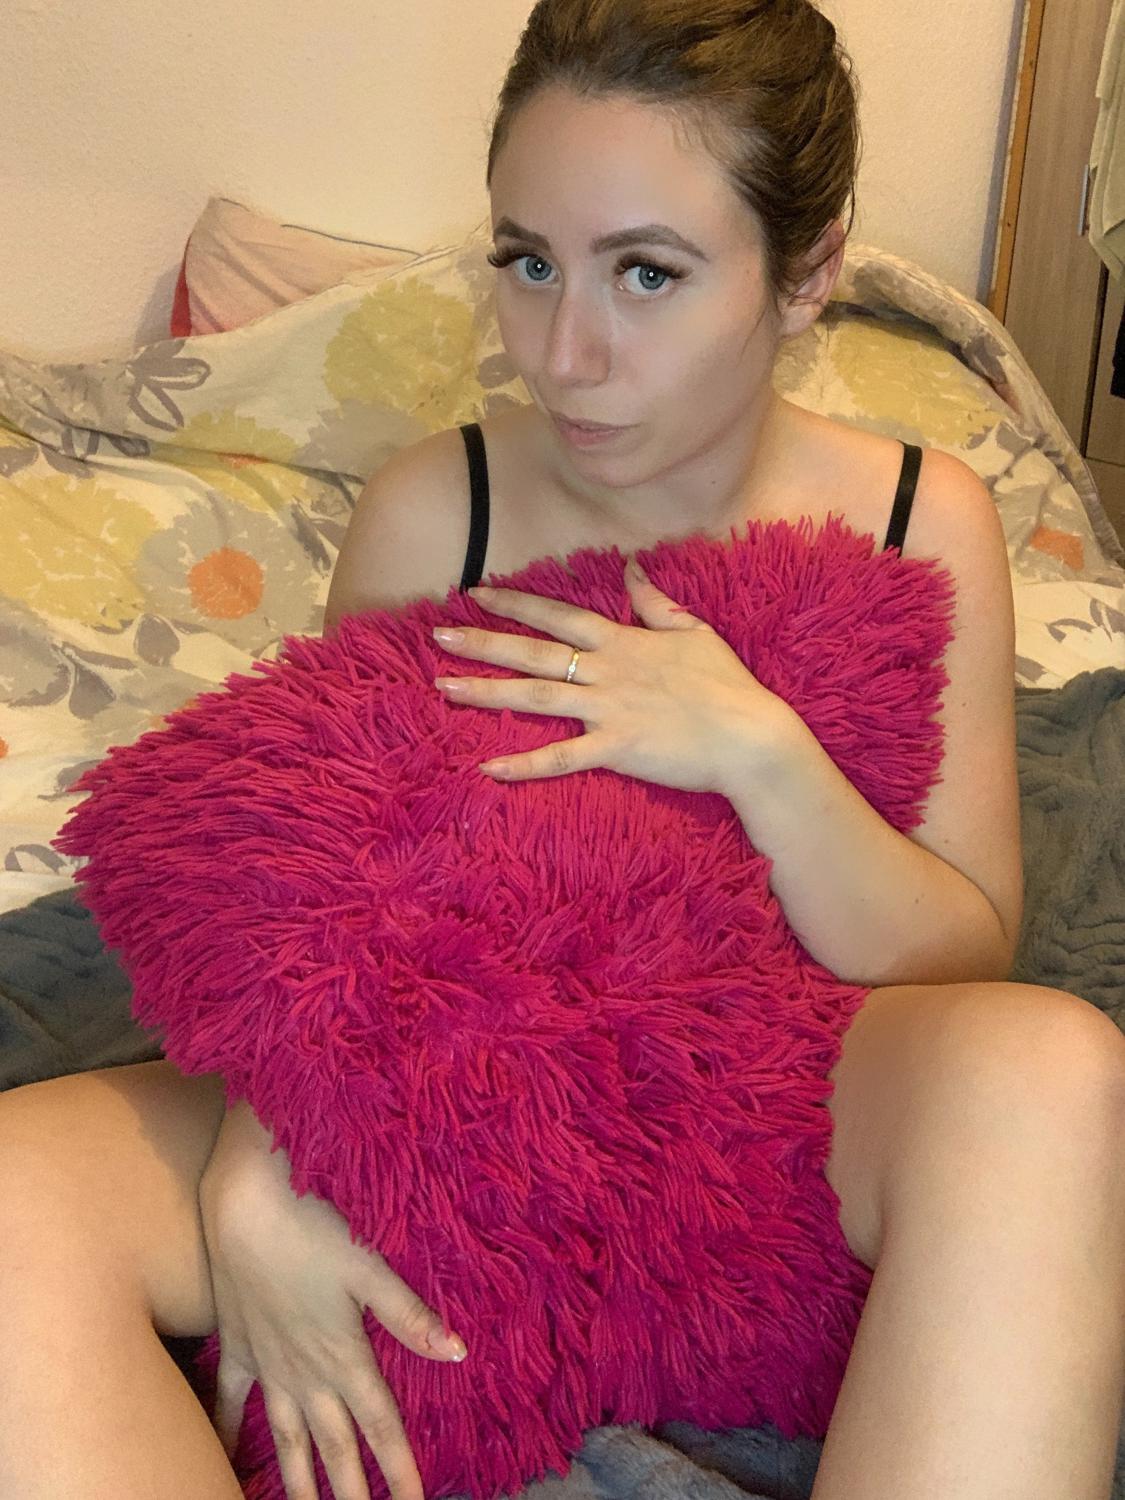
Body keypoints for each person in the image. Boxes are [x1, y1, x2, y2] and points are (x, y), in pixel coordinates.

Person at [3, 1, 1124, 1497]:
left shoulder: (926, 518)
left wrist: (761, 754)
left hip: (769, 1101)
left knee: (1051, 1068)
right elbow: (316, 893)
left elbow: (963, 956)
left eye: (645, 274)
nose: (565, 353)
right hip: (462, 1089)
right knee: (15, 1197)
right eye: (529, 263)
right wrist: (261, 1168)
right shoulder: (436, 511)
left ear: (807, 273)